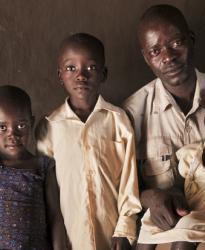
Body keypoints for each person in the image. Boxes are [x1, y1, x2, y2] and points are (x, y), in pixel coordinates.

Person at [123, 4, 205, 249]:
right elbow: (122, 189)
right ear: (146, 57)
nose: (168, 57)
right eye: (156, 50)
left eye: (176, 44)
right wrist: (152, 197)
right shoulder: (132, 112)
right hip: (168, 229)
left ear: (191, 40)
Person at [35, 33, 142, 250]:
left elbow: (128, 181)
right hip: (68, 237)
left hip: (112, 235)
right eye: (71, 68)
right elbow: (46, 190)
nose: (81, 76)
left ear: (103, 74)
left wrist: (124, 229)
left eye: (91, 68)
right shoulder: (50, 127)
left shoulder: (118, 120)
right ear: (59, 75)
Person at [136, 86, 205, 250]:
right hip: (192, 209)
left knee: (187, 230)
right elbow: (180, 185)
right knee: (149, 222)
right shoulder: (194, 153)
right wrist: (174, 196)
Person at [0, 85, 68, 249]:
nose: (13, 135)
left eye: (21, 126)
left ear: (31, 122)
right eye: (2, 127)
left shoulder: (42, 166)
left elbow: (55, 216)